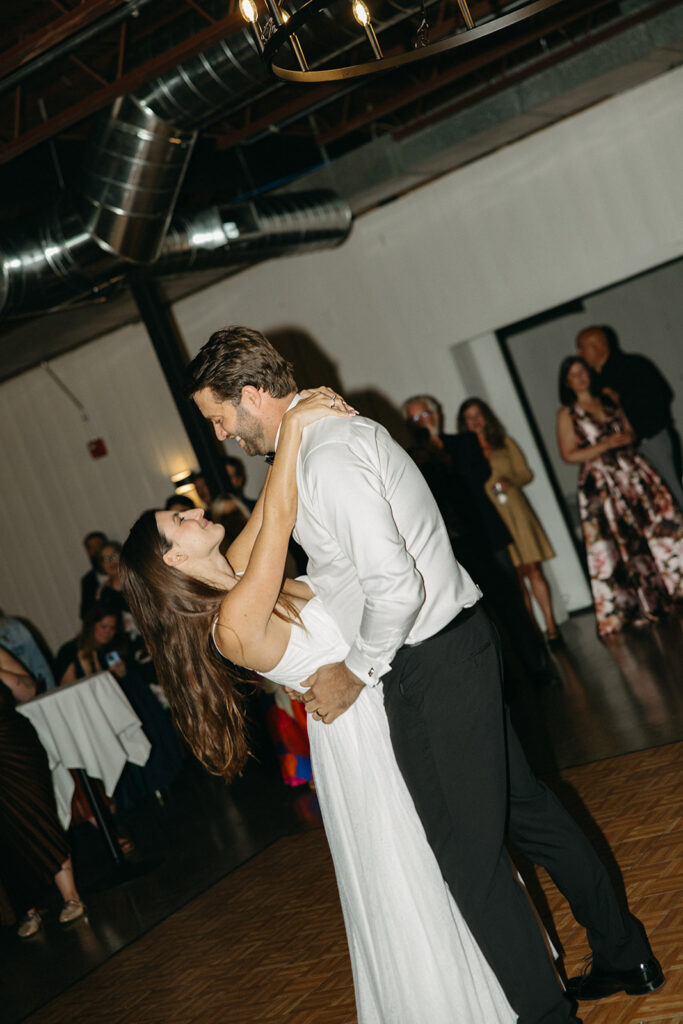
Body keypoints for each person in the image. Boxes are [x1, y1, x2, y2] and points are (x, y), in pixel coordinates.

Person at [183, 326, 663, 1019]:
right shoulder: (316, 446)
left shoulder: (326, 455)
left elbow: (394, 587)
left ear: (252, 395)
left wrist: (354, 669)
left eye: (218, 416)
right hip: (454, 646)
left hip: (427, 662)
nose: (221, 432)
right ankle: (625, 953)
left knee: (468, 868)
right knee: (526, 814)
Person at [121, 389, 517, 1023]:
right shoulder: (230, 621)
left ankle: (506, 982)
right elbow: (277, 517)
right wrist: (297, 424)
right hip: (359, 738)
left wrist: (297, 427)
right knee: (416, 869)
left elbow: (275, 521)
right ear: (174, 558)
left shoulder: (241, 575)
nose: (191, 513)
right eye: (179, 522)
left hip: (389, 703)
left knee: (458, 851)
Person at [401, 394, 557, 683]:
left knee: (510, 603)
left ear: (436, 416)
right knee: (477, 614)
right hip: (452, 547)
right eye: (414, 419)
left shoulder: (462, 443)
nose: (421, 422)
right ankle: (503, 679)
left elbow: (476, 476)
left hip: (486, 535)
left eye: (424, 416)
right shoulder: (411, 457)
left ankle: (538, 668)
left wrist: (440, 453)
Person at [556, 356, 683, 637]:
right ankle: (641, 603)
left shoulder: (609, 398)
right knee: (624, 540)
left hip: (633, 471)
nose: (580, 378)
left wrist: (627, 438)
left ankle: (673, 586)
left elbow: (630, 429)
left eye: (583, 372)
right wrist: (603, 446)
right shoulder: (567, 413)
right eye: (573, 375)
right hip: (602, 480)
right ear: (567, 382)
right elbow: (568, 455)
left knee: (660, 524)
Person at [457, 397, 562, 646]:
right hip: (493, 518)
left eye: (479, 415)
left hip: (516, 510)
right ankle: (532, 633)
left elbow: (526, 473)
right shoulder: (464, 450)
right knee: (514, 578)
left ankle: (551, 627)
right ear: (463, 422)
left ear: (487, 417)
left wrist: (509, 479)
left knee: (533, 569)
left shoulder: (504, 443)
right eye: (469, 417)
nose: (475, 421)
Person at [0, 644, 85, 937]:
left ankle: (71, 896)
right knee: (5, 833)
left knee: (37, 814)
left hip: (12, 745)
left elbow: (28, 690)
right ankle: (28, 908)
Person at [576, 325, 683, 508]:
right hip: (625, 453)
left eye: (582, 347)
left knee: (672, 491)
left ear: (600, 346)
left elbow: (661, 397)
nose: (579, 353)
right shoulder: (594, 381)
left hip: (651, 441)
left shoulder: (633, 365)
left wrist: (621, 402)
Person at [80, 530, 108, 620]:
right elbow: (85, 614)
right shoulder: (88, 580)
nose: (95, 550)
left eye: (98, 545)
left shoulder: (126, 569)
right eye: (91, 548)